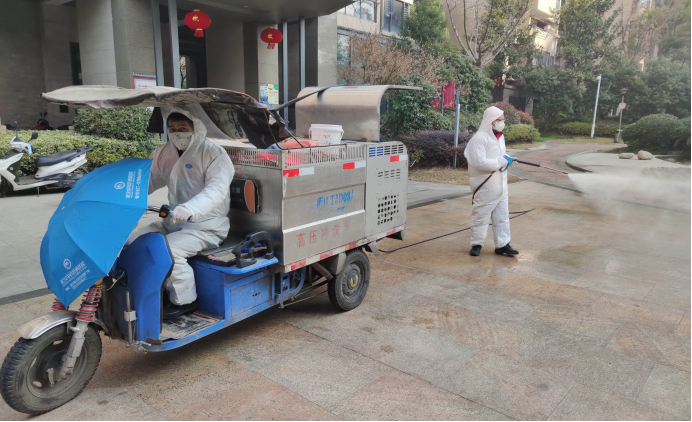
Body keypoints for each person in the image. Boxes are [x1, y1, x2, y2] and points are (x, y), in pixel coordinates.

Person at [127, 107, 234, 319]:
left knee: (170, 250)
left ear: (195, 128)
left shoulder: (213, 153)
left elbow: (217, 190)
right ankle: (150, 291)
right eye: (172, 128)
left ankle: (185, 301)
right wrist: (124, 196)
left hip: (207, 226)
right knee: (132, 241)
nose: (177, 133)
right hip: (174, 222)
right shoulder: (163, 152)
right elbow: (147, 180)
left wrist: (190, 209)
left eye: (183, 128)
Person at [463, 106, 519, 257]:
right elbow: (479, 162)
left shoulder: (499, 137)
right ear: (492, 121)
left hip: (501, 184)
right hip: (485, 185)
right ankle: (476, 244)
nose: (503, 122)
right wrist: (502, 161)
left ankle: (502, 244)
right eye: (500, 120)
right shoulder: (479, 138)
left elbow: (499, 155)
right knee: (481, 215)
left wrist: (507, 159)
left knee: (502, 216)